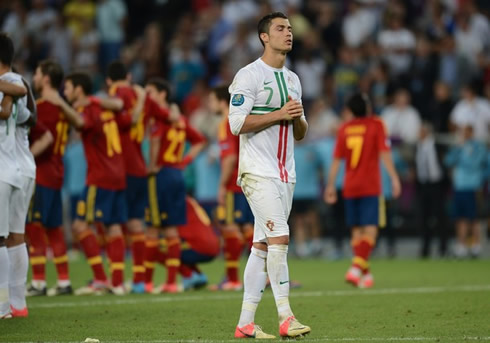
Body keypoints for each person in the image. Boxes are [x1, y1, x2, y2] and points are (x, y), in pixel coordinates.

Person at [228, 12, 310, 339]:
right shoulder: (248, 75)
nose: (288, 33)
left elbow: (300, 132)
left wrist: (298, 117)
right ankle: (286, 316)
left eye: (290, 29)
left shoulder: (293, 79)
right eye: (280, 28)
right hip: (257, 172)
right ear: (264, 36)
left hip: (285, 173)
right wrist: (278, 114)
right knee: (280, 240)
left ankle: (246, 322)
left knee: (261, 247)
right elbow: (236, 124)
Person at [44, 72, 127, 295]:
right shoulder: (105, 106)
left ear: (79, 89)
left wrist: (59, 103)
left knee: (80, 225)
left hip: (100, 176)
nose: (65, 92)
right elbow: (121, 107)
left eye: (68, 88)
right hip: (118, 173)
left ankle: (100, 279)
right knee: (113, 226)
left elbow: (80, 123)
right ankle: (117, 283)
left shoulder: (85, 107)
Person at [324, 93, 401, 289]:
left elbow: (336, 161)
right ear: (367, 107)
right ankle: (356, 267)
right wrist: (394, 177)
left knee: (356, 231)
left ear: (349, 110)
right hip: (370, 186)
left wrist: (331, 185)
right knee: (371, 230)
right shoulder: (376, 125)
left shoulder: (344, 129)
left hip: (349, 186)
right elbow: (385, 153)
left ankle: (365, 275)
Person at [145, 78, 206, 293]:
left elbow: (155, 142)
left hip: (161, 173)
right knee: (172, 231)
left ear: (162, 94)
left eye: (150, 91)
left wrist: (152, 166)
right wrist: (185, 161)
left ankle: (146, 282)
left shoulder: (160, 118)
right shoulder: (180, 119)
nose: (147, 95)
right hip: (177, 175)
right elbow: (200, 140)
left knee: (152, 229)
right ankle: (171, 282)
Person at [26, 60, 73, 297]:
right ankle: (64, 281)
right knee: (54, 229)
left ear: (45, 79)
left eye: (35, 73)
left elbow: (42, 138)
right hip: (57, 173)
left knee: (34, 227)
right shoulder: (64, 107)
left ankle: (39, 282)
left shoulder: (42, 106)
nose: (33, 78)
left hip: (41, 172)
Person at [105, 60, 147, 293]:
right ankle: (139, 281)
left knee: (114, 224)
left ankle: (117, 280)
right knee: (136, 224)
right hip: (139, 165)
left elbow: (126, 119)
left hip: (121, 168)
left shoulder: (116, 93)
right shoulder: (135, 92)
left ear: (109, 80)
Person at [209, 85, 254, 291]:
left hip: (233, 184)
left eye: (211, 100)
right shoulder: (242, 119)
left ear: (221, 101)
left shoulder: (225, 123)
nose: (209, 105)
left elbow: (229, 158)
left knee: (230, 228)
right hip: (247, 180)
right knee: (248, 228)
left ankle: (233, 278)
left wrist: (220, 185)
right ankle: (266, 276)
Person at [0, 32, 30, 319]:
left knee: (1, 239)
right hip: (16, 169)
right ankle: (16, 304)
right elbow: (22, 117)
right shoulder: (17, 83)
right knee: (15, 237)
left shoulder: (12, 85)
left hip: (1, 169)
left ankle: (3, 306)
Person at [444, 125, 487, 258]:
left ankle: (476, 245)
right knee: (460, 217)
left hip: (472, 186)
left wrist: (481, 178)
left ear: (472, 132)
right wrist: (458, 148)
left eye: (467, 131)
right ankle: (461, 245)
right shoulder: (459, 147)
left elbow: (477, 163)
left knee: (473, 218)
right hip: (459, 186)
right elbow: (447, 161)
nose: (464, 134)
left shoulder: (478, 147)